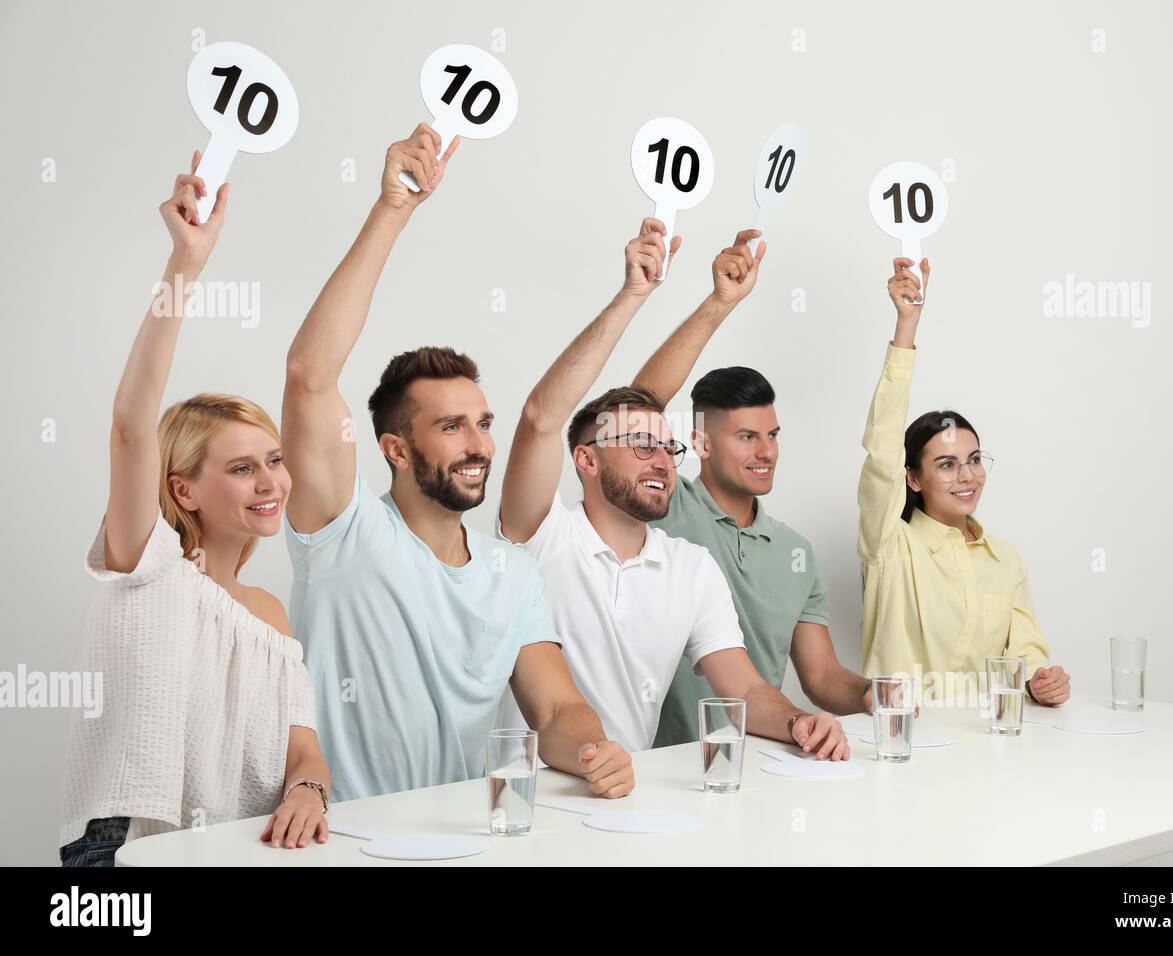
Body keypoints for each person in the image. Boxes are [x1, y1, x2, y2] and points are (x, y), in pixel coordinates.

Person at [281, 126, 634, 802]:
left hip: (463, 843)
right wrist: (393, 210)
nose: (478, 444)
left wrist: (591, 750)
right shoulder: (340, 533)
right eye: (450, 427)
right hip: (339, 841)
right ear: (396, 449)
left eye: (482, 423)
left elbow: (556, 712)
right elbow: (308, 375)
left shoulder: (513, 574)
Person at [60, 155, 330, 866]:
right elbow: (129, 424)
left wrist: (308, 792)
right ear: (183, 489)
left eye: (273, 460)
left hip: (243, 848)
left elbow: (305, 748)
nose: (270, 480)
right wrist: (185, 262)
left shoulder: (271, 612)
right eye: (241, 468)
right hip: (127, 849)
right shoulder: (148, 566)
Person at [496, 219, 850, 759]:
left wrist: (802, 722)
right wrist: (634, 294)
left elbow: (748, 691)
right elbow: (542, 418)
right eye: (640, 443)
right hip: (521, 799)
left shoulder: (690, 567)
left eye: (668, 447)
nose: (661, 458)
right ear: (585, 460)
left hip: (629, 798)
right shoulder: (542, 536)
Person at [631, 230, 884, 748]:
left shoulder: (795, 551)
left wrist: (872, 693)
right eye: (746, 437)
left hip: (764, 762)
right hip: (661, 768)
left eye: (771, 436)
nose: (766, 452)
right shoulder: (663, 506)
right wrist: (720, 304)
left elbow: (821, 678)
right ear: (699, 443)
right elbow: (637, 406)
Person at [858, 258, 1070, 705]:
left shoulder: (1005, 561)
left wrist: (1042, 682)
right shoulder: (891, 546)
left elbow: (1027, 659)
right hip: (902, 744)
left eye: (973, 459)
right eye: (947, 464)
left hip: (984, 752)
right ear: (912, 478)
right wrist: (907, 326)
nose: (968, 475)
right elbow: (882, 451)